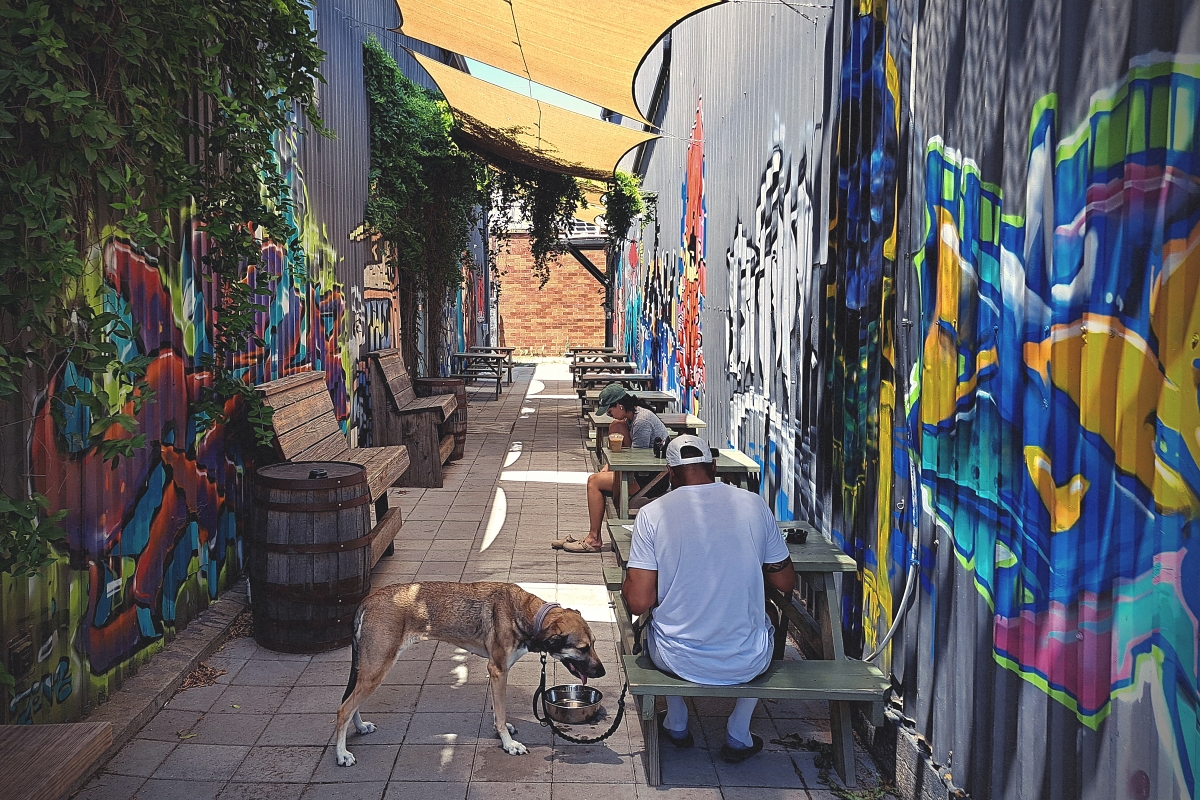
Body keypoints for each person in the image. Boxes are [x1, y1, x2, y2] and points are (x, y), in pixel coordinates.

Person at [621, 434, 795, 763]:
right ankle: (738, 732)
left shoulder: (652, 513)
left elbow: (638, 602)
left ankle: (676, 721)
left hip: (675, 658)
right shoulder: (754, 504)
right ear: (714, 466)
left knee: (658, 616)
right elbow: (785, 581)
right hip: (749, 659)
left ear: (670, 473)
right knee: (767, 614)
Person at [554, 382, 668, 553]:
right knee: (616, 426)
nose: (609, 414)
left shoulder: (642, 421)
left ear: (620, 405)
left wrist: (612, 469)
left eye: (610, 410)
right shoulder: (632, 416)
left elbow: (637, 459)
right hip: (643, 472)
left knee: (594, 482)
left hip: (652, 479)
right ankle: (594, 535)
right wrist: (609, 466)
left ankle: (594, 539)